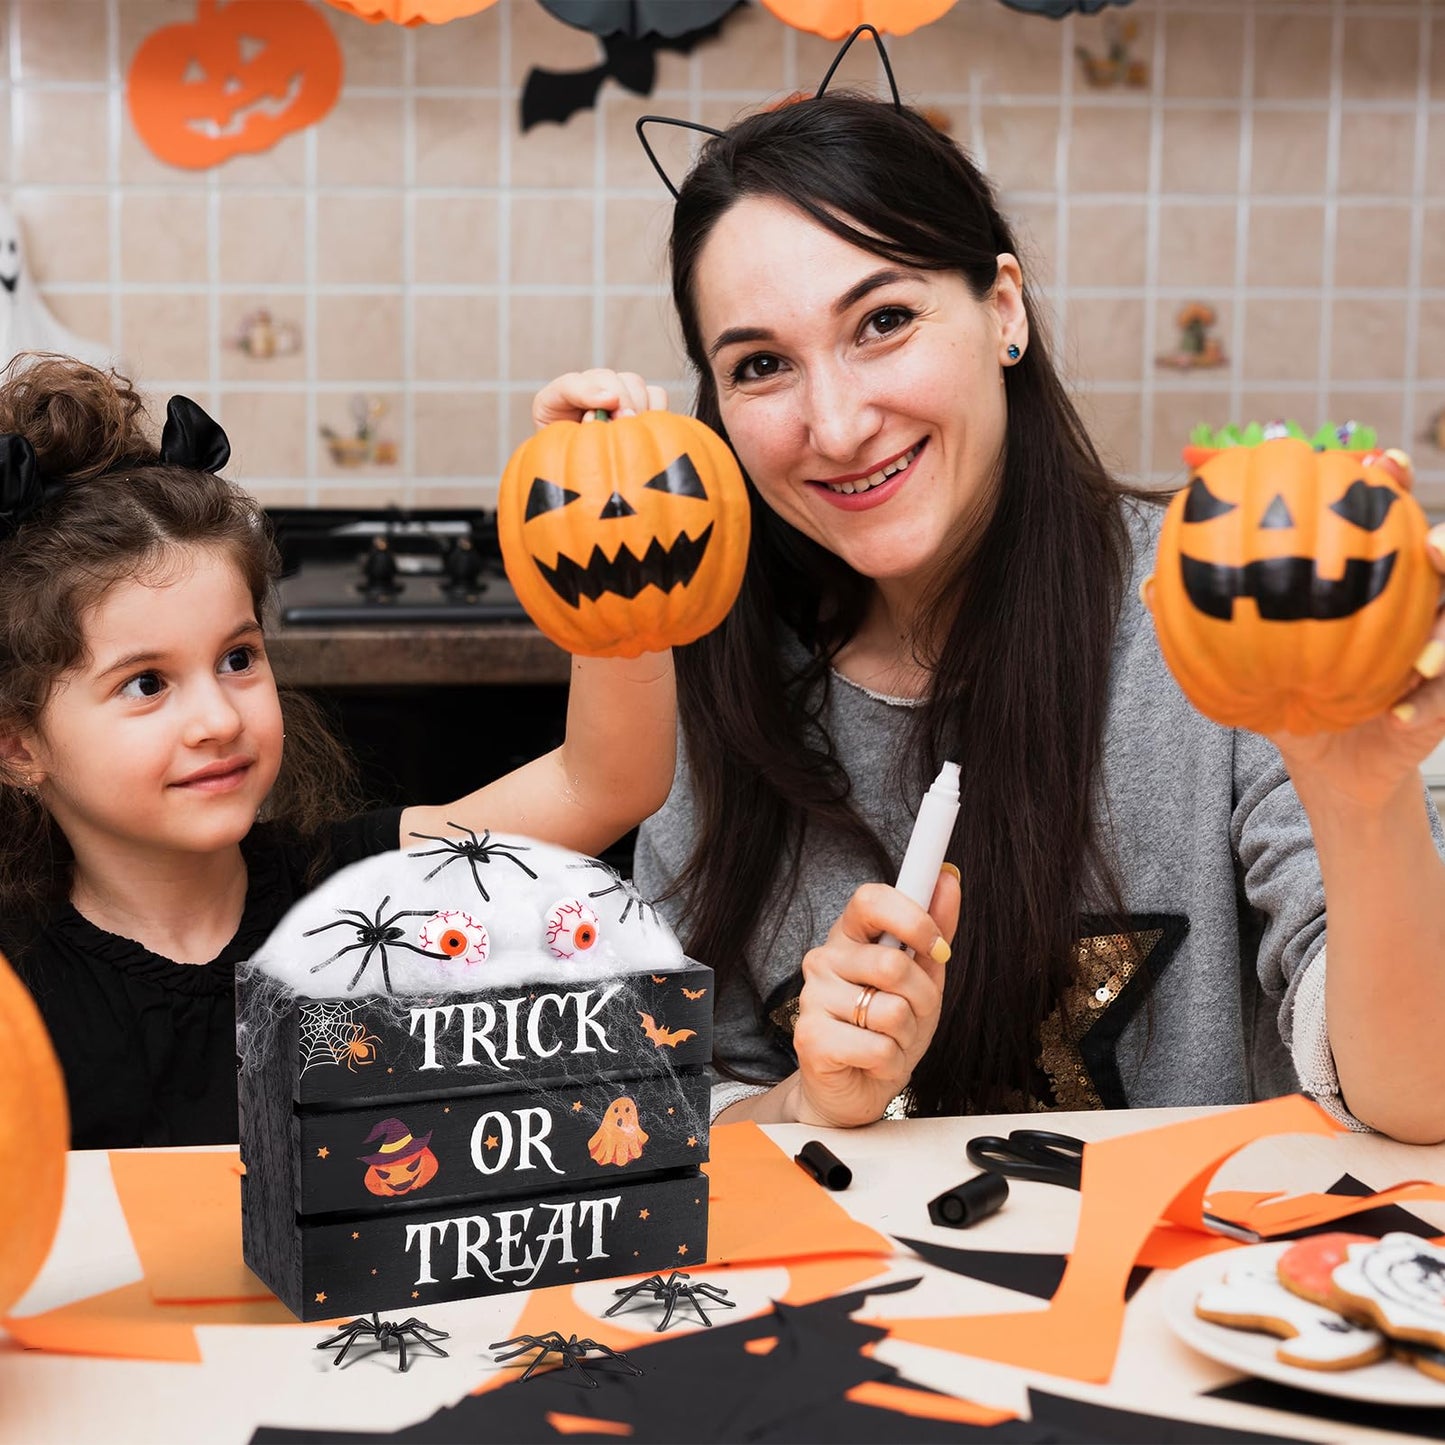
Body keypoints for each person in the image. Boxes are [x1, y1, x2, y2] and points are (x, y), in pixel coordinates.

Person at [534, 84, 1445, 1145]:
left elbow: (1417, 1098)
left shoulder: (1224, 612)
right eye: (760, 365)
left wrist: (1360, 795)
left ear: (1001, 309)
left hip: (1178, 1295)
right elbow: (662, 1113)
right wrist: (805, 1100)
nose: (833, 423)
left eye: (882, 321)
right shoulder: (711, 671)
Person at [0, 354, 676, 1149]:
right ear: (18, 746)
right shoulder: (16, 985)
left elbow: (603, 784)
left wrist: (607, 524)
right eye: (147, 684)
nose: (218, 717)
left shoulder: (360, 894)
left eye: (238, 658)